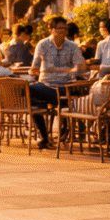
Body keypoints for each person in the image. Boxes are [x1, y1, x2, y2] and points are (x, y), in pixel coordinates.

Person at [29, 16, 86, 149]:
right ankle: (44, 136)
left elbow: (80, 67)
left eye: (65, 29)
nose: (63, 31)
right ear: (51, 29)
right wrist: (35, 72)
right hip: (46, 85)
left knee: (67, 94)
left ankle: (60, 121)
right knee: (28, 90)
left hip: (65, 86)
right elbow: (34, 67)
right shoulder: (43, 44)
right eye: (59, 28)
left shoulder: (72, 46)